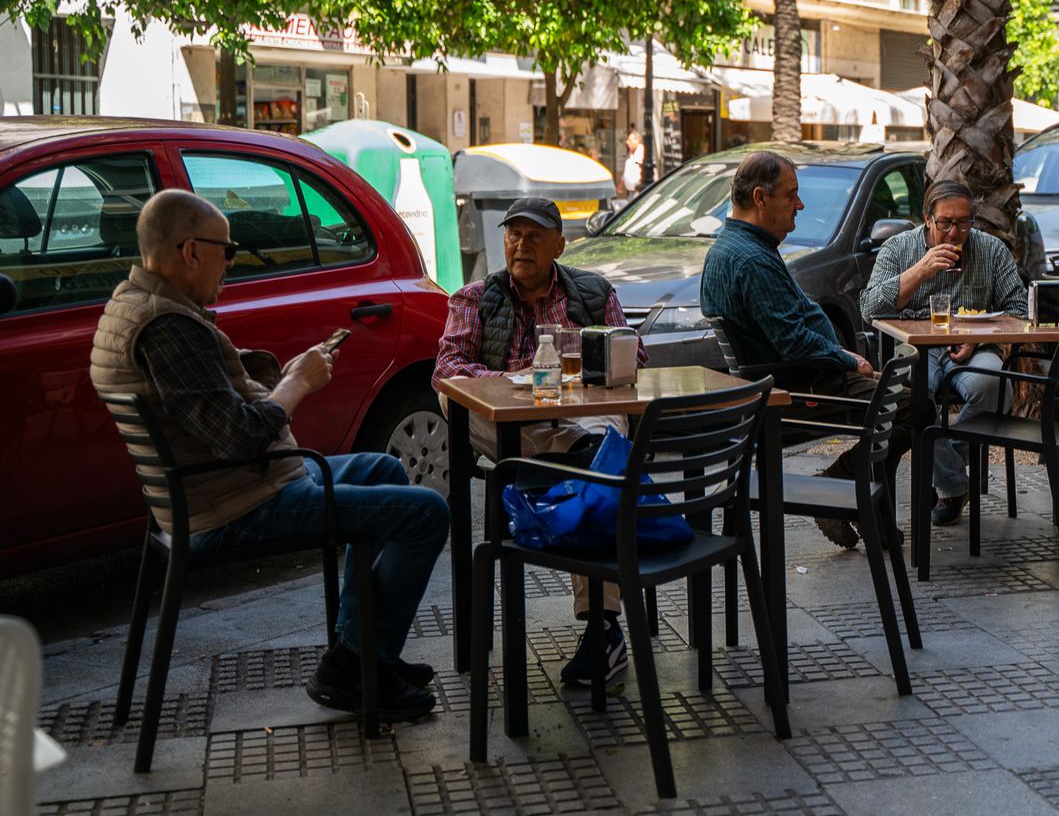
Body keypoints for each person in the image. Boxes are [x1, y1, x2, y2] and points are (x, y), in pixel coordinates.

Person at [90, 190, 449, 720]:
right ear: (191, 251)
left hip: (233, 482)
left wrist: (281, 376)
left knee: (385, 469)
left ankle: (362, 656)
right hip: (235, 503)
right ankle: (356, 664)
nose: (230, 262)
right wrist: (296, 385)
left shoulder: (135, 305)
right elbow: (240, 437)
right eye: (226, 249)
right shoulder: (166, 327)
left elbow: (217, 406)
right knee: (427, 512)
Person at [433, 196, 646, 689]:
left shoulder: (593, 293)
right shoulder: (472, 299)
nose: (521, 244)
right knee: (459, 403)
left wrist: (590, 363)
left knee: (600, 440)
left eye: (533, 235)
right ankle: (586, 466)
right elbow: (448, 370)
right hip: (510, 425)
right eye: (514, 234)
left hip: (582, 418)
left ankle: (602, 626)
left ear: (559, 244)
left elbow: (633, 359)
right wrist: (513, 380)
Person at [700, 151, 907, 549]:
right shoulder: (749, 259)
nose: (800, 205)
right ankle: (842, 488)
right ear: (761, 198)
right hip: (797, 388)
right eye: (791, 195)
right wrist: (848, 358)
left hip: (794, 379)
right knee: (913, 406)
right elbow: (793, 341)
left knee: (902, 396)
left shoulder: (740, 246)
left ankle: (854, 495)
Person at [860, 179, 1029, 527]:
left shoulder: (990, 250)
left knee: (994, 387)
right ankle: (954, 485)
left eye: (964, 222)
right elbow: (869, 307)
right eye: (945, 223)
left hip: (972, 345)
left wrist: (977, 339)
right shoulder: (898, 249)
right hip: (914, 348)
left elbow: (1018, 309)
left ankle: (942, 463)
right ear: (927, 219)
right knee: (914, 398)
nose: (955, 232)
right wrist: (921, 270)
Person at [618, 129, 644, 197]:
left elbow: (642, 170)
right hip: (632, 192)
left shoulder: (640, 153)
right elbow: (627, 172)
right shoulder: (631, 153)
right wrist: (620, 185)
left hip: (639, 193)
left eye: (630, 140)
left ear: (636, 141)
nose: (627, 142)